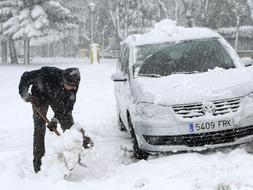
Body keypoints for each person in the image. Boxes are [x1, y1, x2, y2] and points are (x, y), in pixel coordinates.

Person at [18, 66, 92, 173]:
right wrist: (25, 95)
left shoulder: (74, 83)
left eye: (74, 86)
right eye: (69, 85)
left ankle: (78, 151)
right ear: (63, 79)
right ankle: (39, 165)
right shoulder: (45, 74)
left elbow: (67, 107)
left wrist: (55, 119)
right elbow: (25, 77)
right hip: (39, 96)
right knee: (39, 129)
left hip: (58, 99)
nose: (72, 88)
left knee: (68, 123)